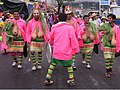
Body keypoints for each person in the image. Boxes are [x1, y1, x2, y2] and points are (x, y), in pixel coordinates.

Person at [44, 13, 79, 86]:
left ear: (58, 19)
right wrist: (76, 49)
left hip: (57, 50)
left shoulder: (54, 27)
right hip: (66, 51)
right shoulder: (70, 28)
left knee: (53, 64)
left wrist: (50, 43)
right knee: (69, 65)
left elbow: (51, 38)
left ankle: (47, 78)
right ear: (66, 19)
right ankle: (71, 80)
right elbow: (73, 39)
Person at [99, 14, 120, 78]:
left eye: (110, 18)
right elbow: (99, 32)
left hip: (113, 45)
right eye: (108, 18)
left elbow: (118, 37)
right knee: (107, 58)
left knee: (111, 59)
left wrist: (118, 47)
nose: (109, 19)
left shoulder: (117, 27)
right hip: (106, 44)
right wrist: (103, 33)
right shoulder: (105, 25)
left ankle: (110, 69)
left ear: (113, 19)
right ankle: (107, 71)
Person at [65, 6, 81, 70]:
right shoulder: (63, 21)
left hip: (73, 38)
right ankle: (67, 62)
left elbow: (78, 29)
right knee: (66, 51)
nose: (68, 16)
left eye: (69, 14)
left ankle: (72, 63)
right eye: (67, 14)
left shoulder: (74, 21)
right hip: (65, 39)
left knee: (73, 51)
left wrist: (79, 36)